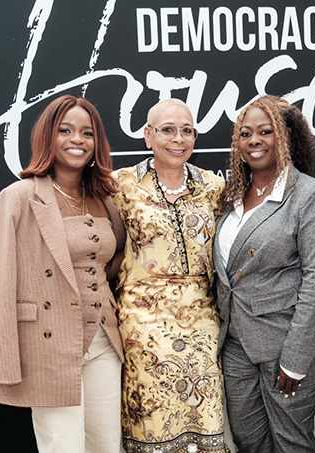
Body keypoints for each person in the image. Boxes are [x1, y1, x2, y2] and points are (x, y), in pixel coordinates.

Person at [0, 94, 125, 452]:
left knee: (106, 443)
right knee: (62, 445)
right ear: (48, 136)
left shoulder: (106, 199)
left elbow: (116, 258)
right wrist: (4, 361)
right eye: (66, 130)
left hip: (104, 341)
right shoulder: (18, 196)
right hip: (48, 343)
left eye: (87, 133)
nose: (77, 139)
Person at [214, 95, 315, 452]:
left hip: (287, 345)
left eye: (265, 132)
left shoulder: (310, 195)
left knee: (290, 442)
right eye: (245, 133)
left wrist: (296, 361)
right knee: (249, 441)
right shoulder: (232, 195)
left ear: (285, 136)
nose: (254, 141)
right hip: (236, 346)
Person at [112, 98, 227, 452]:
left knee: (204, 420)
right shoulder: (121, 184)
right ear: (148, 136)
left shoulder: (213, 187)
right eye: (168, 130)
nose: (179, 139)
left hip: (203, 324)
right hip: (142, 326)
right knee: (152, 424)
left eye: (187, 130)